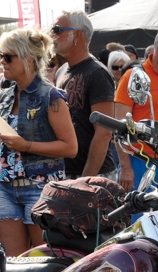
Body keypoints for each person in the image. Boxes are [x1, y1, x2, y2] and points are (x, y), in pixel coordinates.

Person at [0, 28, 77, 255]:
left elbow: (71, 148)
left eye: (8, 57)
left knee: (43, 262)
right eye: (1, 56)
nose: (2, 62)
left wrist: (26, 146)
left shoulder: (50, 96)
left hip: (40, 189)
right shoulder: (4, 95)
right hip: (6, 189)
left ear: (28, 60)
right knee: (14, 265)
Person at [114, 27, 158, 193]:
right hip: (139, 160)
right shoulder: (133, 76)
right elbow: (119, 127)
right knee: (139, 217)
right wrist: (125, 167)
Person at [50, 9, 117, 179]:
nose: (52, 35)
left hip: (95, 175)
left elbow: (104, 133)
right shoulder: (62, 71)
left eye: (57, 29)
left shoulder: (98, 74)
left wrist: (85, 180)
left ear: (77, 35)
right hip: (66, 172)